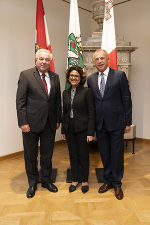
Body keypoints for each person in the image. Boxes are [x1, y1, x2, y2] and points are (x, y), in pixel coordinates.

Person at [16, 49, 61, 198]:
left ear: (50, 62)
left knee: (47, 155)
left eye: (47, 60)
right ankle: (32, 183)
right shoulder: (26, 75)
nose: (44, 62)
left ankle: (47, 181)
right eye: (41, 59)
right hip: (30, 124)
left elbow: (56, 101)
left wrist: (57, 119)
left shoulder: (55, 77)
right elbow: (20, 101)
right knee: (31, 155)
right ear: (36, 60)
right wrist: (23, 122)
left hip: (49, 124)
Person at [87, 49, 132, 200]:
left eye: (102, 58)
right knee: (105, 155)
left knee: (117, 155)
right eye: (96, 59)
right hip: (100, 125)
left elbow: (126, 99)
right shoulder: (91, 79)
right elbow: (92, 104)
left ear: (107, 60)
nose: (99, 61)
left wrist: (128, 122)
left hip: (117, 123)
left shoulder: (119, 75)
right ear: (94, 62)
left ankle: (117, 183)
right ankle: (107, 181)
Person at [61, 65, 95, 193]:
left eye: (76, 76)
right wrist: (63, 130)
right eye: (71, 76)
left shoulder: (87, 92)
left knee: (83, 156)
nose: (73, 78)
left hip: (83, 130)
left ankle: (85, 180)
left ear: (81, 78)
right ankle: (75, 179)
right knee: (73, 155)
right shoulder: (65, 93)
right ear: (68, 78)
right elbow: (65, 113)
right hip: (69, 130)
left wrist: (90, 132)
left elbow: (92, 112)